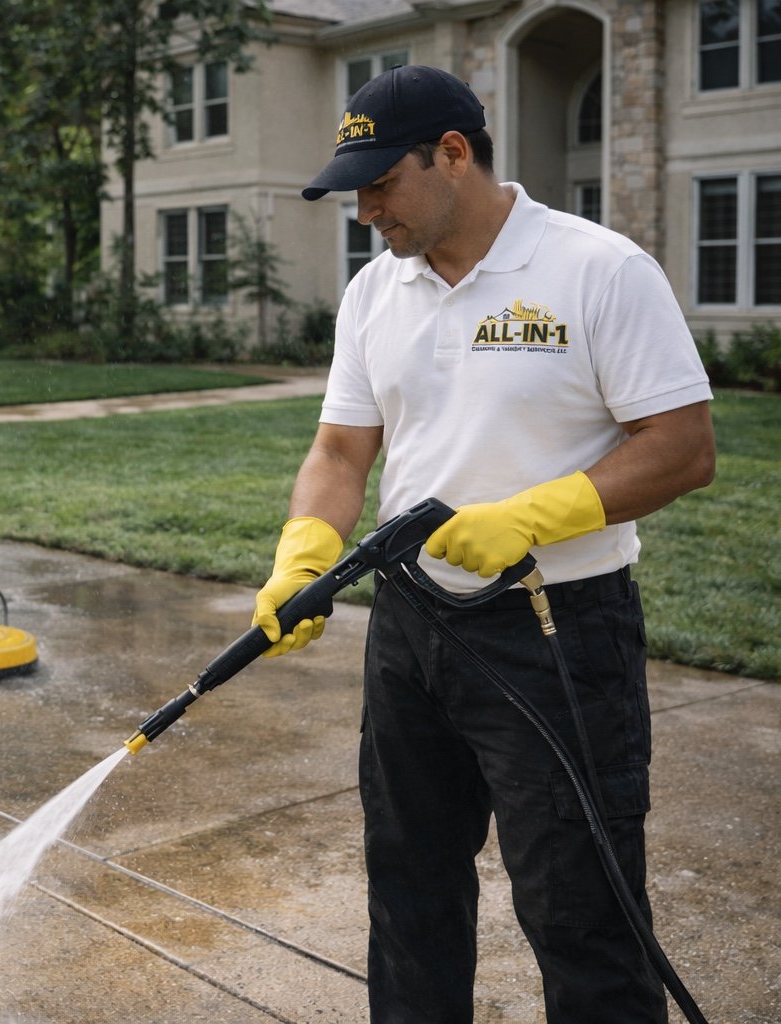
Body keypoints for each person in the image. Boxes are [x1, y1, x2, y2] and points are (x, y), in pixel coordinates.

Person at [258, 65, 716, 1022]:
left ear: (454, 156)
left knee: (580, 909)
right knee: (410, 890)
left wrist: (532, 517)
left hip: (555, 635)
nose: (364, 211)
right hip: (410, 634)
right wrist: (302, 549)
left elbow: (681, 449)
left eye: (380, 183)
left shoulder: (598, 269)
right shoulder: (376, 292)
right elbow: (342, 448)